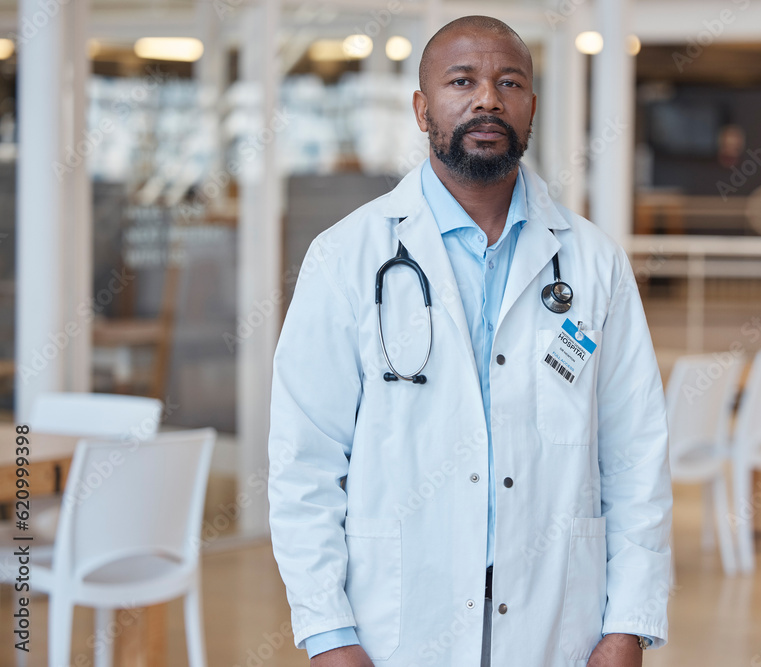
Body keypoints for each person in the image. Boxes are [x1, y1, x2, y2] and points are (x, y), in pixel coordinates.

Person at [267, 15, 672, 667]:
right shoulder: (345, 257)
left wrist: (627, 622)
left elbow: (634, 454)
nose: (487, 98)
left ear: (531, 107)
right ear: (422, 108)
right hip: (397, 620)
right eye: (463, 81)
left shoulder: (594, 263)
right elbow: (305, 462)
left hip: (556, 618)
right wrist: (328, 632)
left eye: (508, 82)